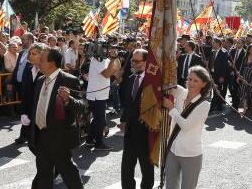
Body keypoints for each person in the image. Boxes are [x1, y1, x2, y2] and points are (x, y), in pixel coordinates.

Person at [30, 48, 84, 189]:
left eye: (41, 60)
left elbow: (82, 107)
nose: (38, 62)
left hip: (59, 138)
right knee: (43, 175)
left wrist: (69, 99)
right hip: (41, 135)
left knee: (69, 173)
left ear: (52, 63)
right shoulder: (41, 80)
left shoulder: (69, 80)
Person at [162, 65, 212, 189]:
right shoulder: (181, 92)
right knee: (170, 186)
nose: (191, 83)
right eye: (189, 79)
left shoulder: (204, 104)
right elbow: (166, 81)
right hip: (173, 150)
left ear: (204, 84)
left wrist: (171, 109)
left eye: (196, 80)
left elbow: (185, 125)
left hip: (191, 154)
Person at [120, 49, 154, 189]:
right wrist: (123, 119)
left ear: (146, 62)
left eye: (136, 61)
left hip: (145, 131)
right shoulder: (130, 78)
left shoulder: (153, 82)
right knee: (126, 166)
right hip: (129, 131)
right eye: (132, 60)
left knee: (146, 167)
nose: (133, 63)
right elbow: (128, 103)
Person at [84, 46, 120, 151]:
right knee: (99, 120)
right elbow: (107, 74)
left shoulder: (105, 59)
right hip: (96, 95)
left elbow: (116, 68)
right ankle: (98, 143)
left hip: (100, 94)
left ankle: (90, 140)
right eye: (105, 49)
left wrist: (116, 57)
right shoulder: (97, 60)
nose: (107, 50)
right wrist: (113, 60)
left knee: (97, 119)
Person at [12, 33, 34, 144]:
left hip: (30, 87)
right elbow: (17, 68)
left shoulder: (35, 53)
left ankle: (25, 135)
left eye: (24, 39)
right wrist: (12, 81)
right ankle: (26, 135)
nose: (22, 42)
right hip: (21, 86)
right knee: (25, 111)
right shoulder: (21, 53)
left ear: (30, 40)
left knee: (27, 111)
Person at [237, 44, 252, 114]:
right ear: (249, 50)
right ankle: (244, 109)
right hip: (244, 77)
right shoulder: (245, 57)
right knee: (244, 93)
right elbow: (241, 68)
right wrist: (239, 76)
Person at [209, 37, 229, 113]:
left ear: (218, 44)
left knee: (218, 90)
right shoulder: (212, 52)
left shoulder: (224, 52)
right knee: (214, 90)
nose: (212, 44)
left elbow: (224, 66)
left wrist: (222, 76)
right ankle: (218, 105)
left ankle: (213, 106)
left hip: (219, 75)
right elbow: (210, 62)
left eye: (214, 43)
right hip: (212, 74)